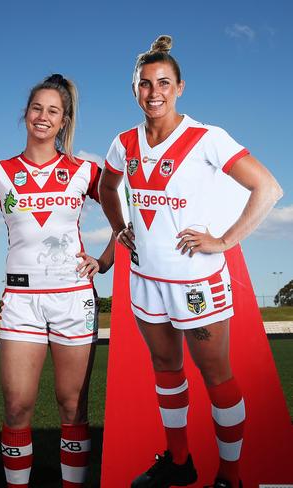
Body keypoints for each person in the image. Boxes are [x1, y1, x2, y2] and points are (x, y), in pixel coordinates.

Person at [99, 35, 283, 488]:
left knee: (216, 374)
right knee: (166, 370)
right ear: (134, 90)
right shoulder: (123, 142)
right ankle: (181, 464)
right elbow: (108, 188)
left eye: (164, 82)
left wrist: (223, 240)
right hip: (145, 278)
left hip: (195, 282)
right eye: (145, 84)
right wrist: (120, 226)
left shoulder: (207, 138)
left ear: (180, 86)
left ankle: (231, 475)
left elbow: (269, 188)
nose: (154, 92)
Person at [0, 74, 115, 488]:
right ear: (25, 114)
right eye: (37, 108)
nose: (43, 117)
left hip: (73, 299)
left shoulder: (86, 172)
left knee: (72, 408)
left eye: (53, 111)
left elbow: (132, 216)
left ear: (64, 120)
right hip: (20, 302)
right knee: (17, 407)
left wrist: (103, 263)